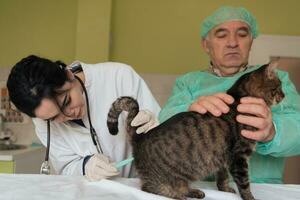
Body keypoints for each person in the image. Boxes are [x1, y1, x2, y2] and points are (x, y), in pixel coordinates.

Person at [159, 6, 300, 183]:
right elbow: (164, 124)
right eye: (221, 35)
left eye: (242, 34)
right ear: (206, 45)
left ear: (251, 41)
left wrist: (272, 131)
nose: (232, 42)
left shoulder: (275, 80)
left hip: (264, 190)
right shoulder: (188, 83)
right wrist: (188, 112)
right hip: (203, 187)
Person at [7, 55, 161, 181]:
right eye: (53, 118)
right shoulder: (42, 122)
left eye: (67, 101)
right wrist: (85, 166)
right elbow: (66, 166)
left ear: (68, 75)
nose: (68, 115)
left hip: (141, 185)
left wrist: (156, 125)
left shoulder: (118, 76)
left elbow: (165, 135)